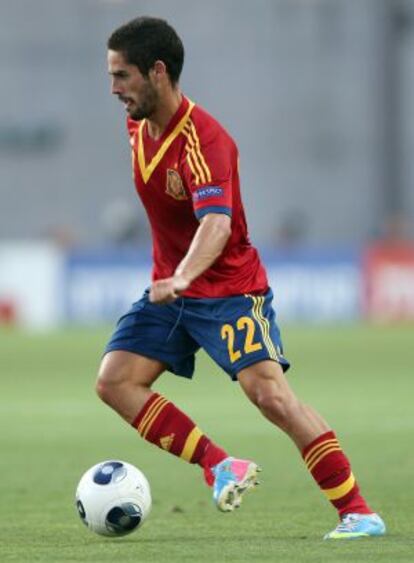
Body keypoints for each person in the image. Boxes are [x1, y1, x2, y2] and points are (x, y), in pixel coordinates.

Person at [97, 16, 386, 540]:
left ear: (157, 72)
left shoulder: (207, 142)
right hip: (172, 290)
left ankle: (359, 511)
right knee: (115, 381)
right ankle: (219, 465)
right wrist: (175, 279)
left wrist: (184, 275)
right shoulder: (138, 125)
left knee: (272, 398)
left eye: (122, 76)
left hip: (228, 289)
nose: (114, 88)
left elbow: (217, 222)